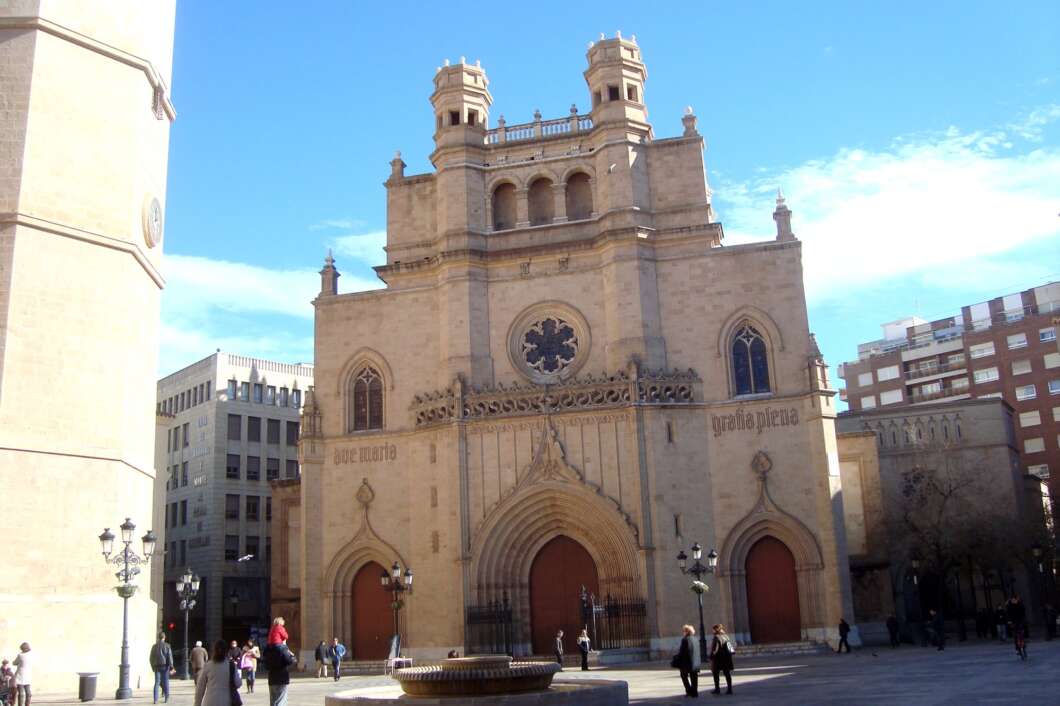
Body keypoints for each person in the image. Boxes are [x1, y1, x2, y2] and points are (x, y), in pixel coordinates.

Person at [194, 640, 238, 706]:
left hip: (210, 701)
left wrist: (197, 704)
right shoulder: (231, 665)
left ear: (214, 651)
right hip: (226, 701)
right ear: (226, 651)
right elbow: (238, 683)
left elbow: (200, 687)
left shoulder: (208, 665)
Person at [262, 638, 296, 706]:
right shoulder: (283, 648)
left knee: (273, 701)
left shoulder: (268, 649)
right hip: (281, 678)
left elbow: (265, 664)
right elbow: (290, 661)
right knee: (281, 700)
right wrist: (292, 655)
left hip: (272, 678)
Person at [674, 624, 700, 698]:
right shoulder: (695, 639)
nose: (683, 632)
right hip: (695, 660)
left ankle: (689, 691)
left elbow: (682, 652)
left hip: (686, 662)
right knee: (694, 677)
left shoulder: (685, 640)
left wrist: (677, 658)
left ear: (686, 631)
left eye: (683, 631)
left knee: (683, 676)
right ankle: (695, 692)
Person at [708, 624, 735, 696]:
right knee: (727, 674)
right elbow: (730, 648)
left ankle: (717, 689)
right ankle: (729, 689)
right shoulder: (726, 636)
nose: (712, 631)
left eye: (713, 629)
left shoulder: (716, 637)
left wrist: (711, 656)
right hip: (727, 658)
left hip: (718, 659)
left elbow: (715, 649)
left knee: (715, 673)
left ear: (715, 630)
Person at [148, 632, 174, 704]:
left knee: (157, 682)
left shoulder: (154, 646)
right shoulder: (167, 646)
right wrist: (171, 667)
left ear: (158, 637)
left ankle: (155, 699)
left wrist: (153, 667)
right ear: (164, 637)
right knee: (166, 682)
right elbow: (169, 657)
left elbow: (151, 658)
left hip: (156, 667)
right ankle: (166, 698)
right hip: (165, 666)